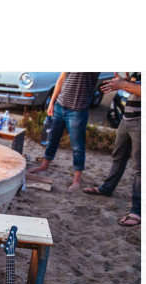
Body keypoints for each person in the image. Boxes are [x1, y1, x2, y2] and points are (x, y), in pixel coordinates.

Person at [83, 72, 141, 227]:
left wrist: (123, 84)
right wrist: (125, 81)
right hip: (127, 118)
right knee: (118, 157)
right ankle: (107, 188)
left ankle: (137, 210)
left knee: (140, 168)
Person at [29, 72, 100, 190]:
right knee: (52, 138)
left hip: (78, 110)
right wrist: (52, 102)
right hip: (60, 105)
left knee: (77, 146)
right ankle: (44, 165)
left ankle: (77, 179)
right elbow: (61, 79)